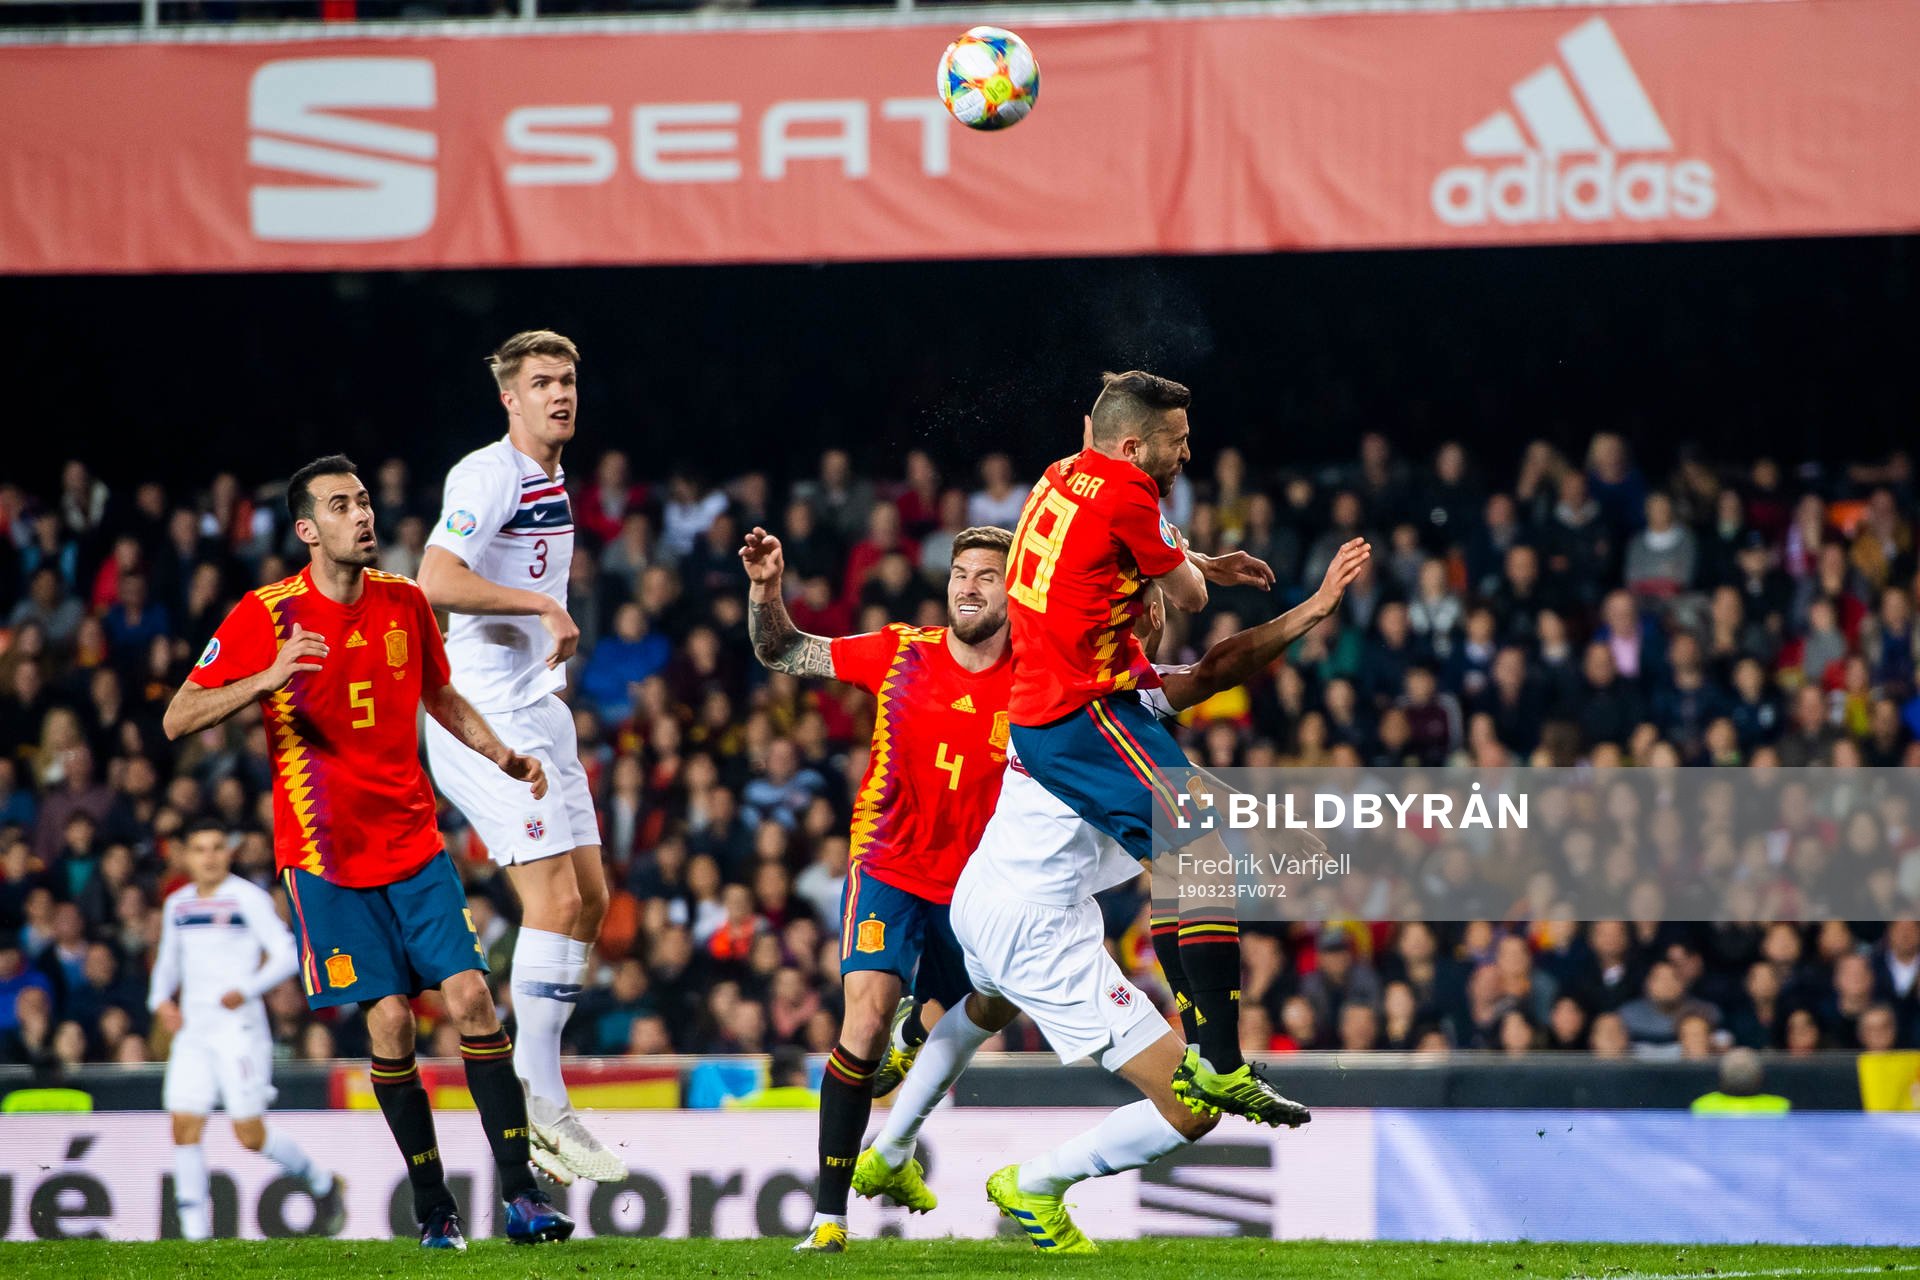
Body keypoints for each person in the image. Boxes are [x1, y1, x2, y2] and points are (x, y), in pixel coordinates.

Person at [855, 538, 1370, 1250]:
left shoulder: (1095, 686)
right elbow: (1177, 803)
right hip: (1036, 928)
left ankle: (888, 1149)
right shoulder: (1089, 711)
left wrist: (1295, 604)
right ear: (1138, 618)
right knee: (1192, 1108)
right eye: (1140, 606)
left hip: (990, 891)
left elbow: (1213, 669)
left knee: (990, 1003)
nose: (1142, 616)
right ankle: (1035, 1185)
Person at [163, 454, 571, 1250]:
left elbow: (438, 693)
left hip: (413, 843)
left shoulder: (404, 600)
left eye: (364, 502)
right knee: (388, 1022)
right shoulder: (266, 614)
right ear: (308, 530)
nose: (363, 515)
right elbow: (179, 716)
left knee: (473, 1000)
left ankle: (523, 1198)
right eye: (343, 506)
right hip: (326, 863)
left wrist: (500, 754)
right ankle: (435, 1207)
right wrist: (266, 678)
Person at [1001, 369, 1298, 1124]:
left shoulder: (1060, 472)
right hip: (1084, 712)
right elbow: (1189, 599)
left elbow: (1128, 545)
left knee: (1180, 861)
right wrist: (1192, 573)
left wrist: (1197, 558)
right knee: (1202, 852)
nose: (1188, 453)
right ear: (1134, 447)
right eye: (1177, 440)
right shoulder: (1132, 492)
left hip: (1054, 708)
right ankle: (1220, 1062)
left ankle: (1206, 1057)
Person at [740, 522, 1014, 1253]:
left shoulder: (1036, 675)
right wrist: (766, 591)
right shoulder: (902, 651)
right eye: (960, 573)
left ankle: (917, 1033)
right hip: (888, 866)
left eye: (987, 575)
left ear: (1015, 591)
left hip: (976, 887)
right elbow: (782, 650)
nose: (969, 587)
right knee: (862, 1022)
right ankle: (828, 1219)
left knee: (991, 1008)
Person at [416, 330, 625, 1186]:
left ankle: (542, 1086)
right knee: (556, 898)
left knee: (593, 901)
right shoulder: (489, 473)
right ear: (510, 399)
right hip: (483, 713)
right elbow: (433, 580)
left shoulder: (551, 477)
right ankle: (542, 1100)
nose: (559, 394)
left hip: (538, 706)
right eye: (541, 383)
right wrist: (539, 605)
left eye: (567, 380)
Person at [148, 816, 342, 1241]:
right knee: (183, 1125)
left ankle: (322, 1180)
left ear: (229, 853)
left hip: (239, 1029)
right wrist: (161, 1001)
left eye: (217, 848)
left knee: (249, 1135)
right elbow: (167, 961)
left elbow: (287, 952)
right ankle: (194, 1236)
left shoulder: (247, 898)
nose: (209, 857)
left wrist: (247, 989)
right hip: (194, 1031)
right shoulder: (177, 904)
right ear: (186, 856)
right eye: (200, 849)